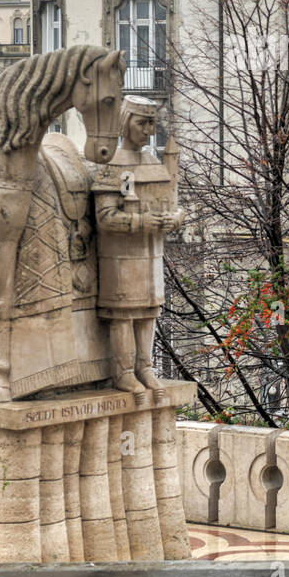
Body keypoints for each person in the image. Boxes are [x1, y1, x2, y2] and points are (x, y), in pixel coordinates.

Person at [91, 97, 184, 394]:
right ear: (125, 121)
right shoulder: (112, 164)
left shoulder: (153, 162)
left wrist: (176, 218)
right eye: (142, 122)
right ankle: (123, 372)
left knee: (148, 312)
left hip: (151, 255)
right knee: (123, 315)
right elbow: (105, 217)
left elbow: (169, 201)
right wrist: (145, 223)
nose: (148, 130)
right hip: (119, 257)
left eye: (152, 123)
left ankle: (145, 367)